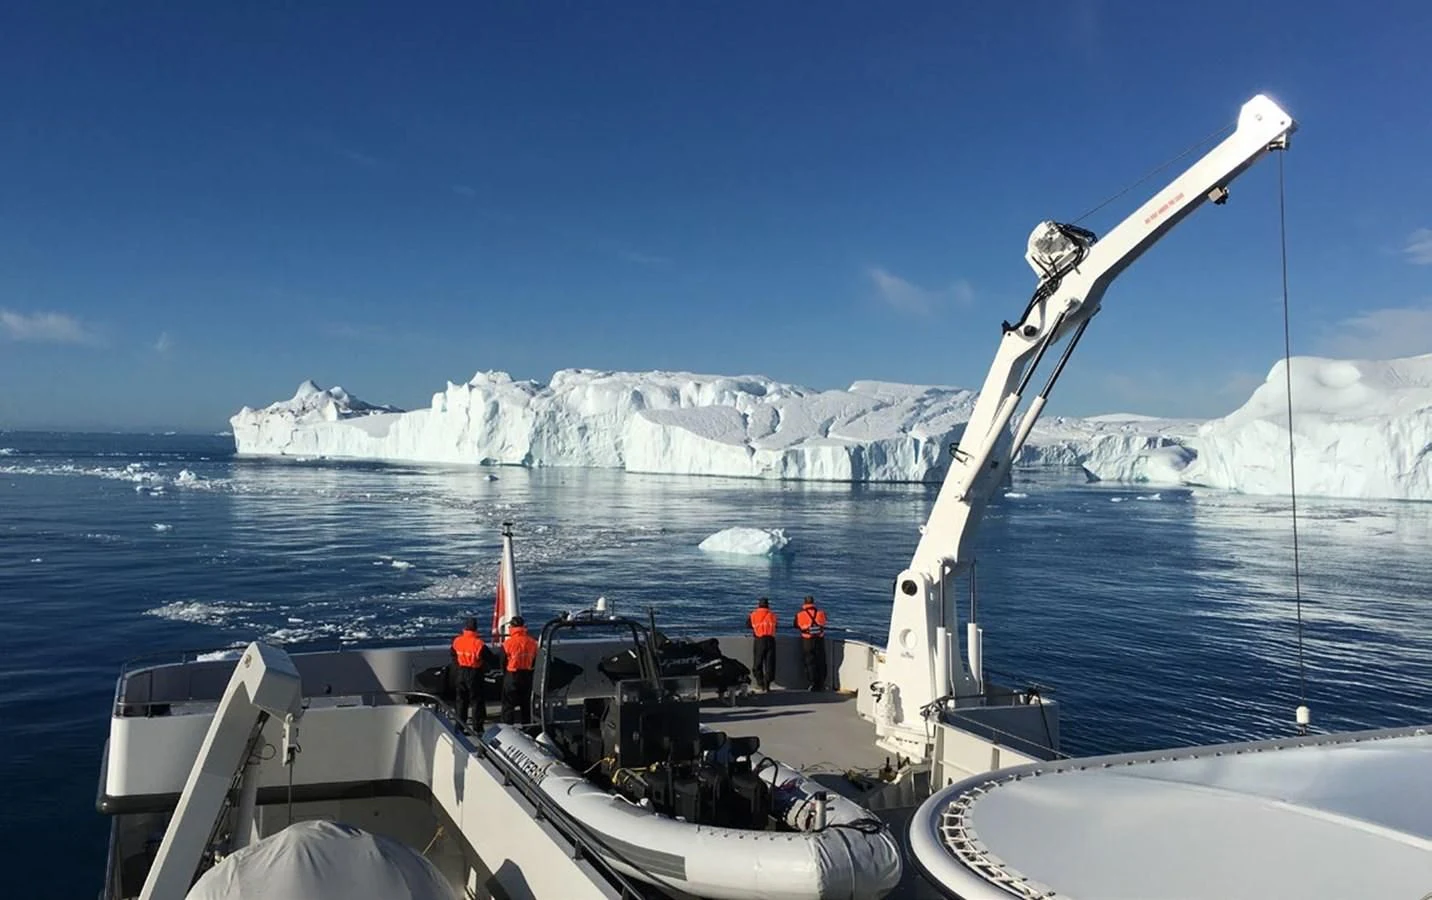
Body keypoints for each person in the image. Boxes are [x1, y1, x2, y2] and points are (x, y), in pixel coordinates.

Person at [450, 617, 487, 730]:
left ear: (465, 628)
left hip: (461, 672)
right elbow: (489, 658)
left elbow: (453, 654)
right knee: (476, 701)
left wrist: (459, 664)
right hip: (474, 673)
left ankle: (460, 726)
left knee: (461, 701)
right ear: (476, 628)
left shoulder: (457, 641)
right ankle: (477, 728)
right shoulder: (479, 643)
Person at [501, 615, 539, 725]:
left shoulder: (508, 643)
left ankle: (507, 728)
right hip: (527, 675)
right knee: (525, 704)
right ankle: (527, 727)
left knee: (508, 705)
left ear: (511, 627)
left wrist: (506, 674)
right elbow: (536, 659)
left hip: (512, 675)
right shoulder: (532, 642)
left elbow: (502, 661)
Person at [793, 595, 828, 691]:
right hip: (819, 640)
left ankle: (813, 683)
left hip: (807, 640)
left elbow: (796, 625)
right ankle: (821, 683)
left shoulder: (800, 614)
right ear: (813, 603)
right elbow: (825, 622)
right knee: (821, 662)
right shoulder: (821, 613)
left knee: (810, 662)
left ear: (804, 603)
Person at [747, 597, 777, 691]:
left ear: (758, 605)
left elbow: (748, 625)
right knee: (770, 663)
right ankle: (767, 684)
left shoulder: (754, 614)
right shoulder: (772, 615)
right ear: (768, 605)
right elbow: (776, 625)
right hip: (771, 640)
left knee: (757, 663)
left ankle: (760, 683)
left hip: (760, 640)